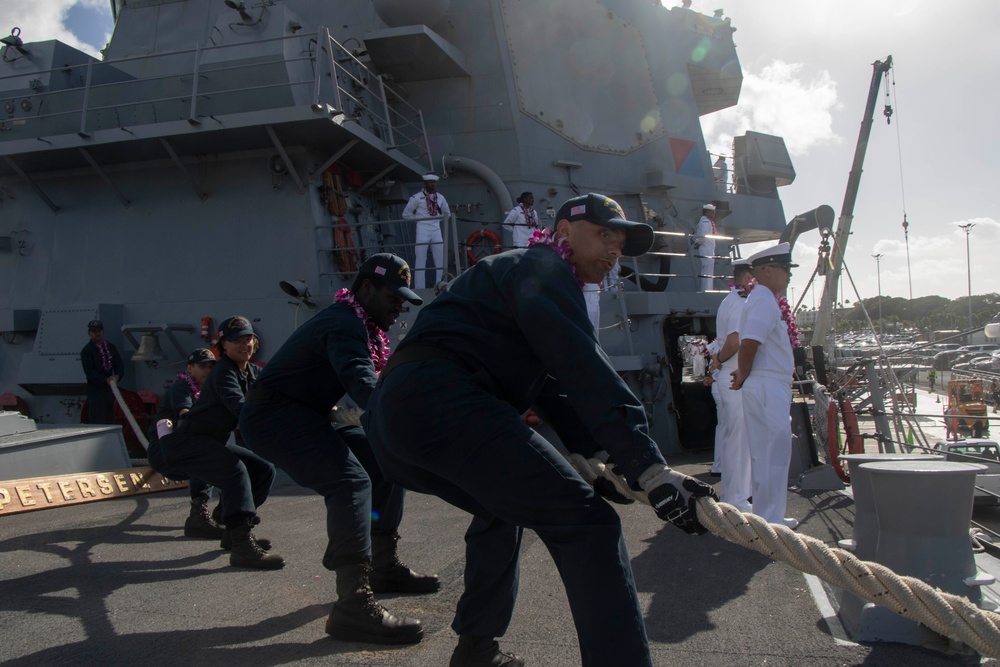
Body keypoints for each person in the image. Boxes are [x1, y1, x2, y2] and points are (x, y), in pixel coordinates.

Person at [363, 193, 717, 667]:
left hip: (394, 419)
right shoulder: (546, 268)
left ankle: (476, 649)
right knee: (590, 526)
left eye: (622, 241)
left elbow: (551, 386)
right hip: (445, 402)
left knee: (501, 509)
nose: (616, 250)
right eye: (606, 233)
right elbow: (580, 367)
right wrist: (650, 469)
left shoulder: (518, 270)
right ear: (564, 234)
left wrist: (599, 458)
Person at [239, 253, 436, 646]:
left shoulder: (357, 324)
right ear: (364, 288)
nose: (400, 305)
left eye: (404, 298)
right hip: (273, 415)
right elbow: (362, 382)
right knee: (349, 481)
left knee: (384, 461)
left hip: (306, 412)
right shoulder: (344, 324)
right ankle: (353, 603)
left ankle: (383, 565)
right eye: (393, 296)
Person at [147, 317, 283, 570]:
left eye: (248, 339)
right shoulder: (223, 373)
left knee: (263, 470)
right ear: (224, 346)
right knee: (235, 472)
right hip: (184, 442)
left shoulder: (252, 372)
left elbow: (277, 387)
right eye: (236, 341)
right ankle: (242, 546)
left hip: (209, 441)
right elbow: (238, 406)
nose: (244, 345)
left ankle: (231, 527)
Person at [730, 242, 799, 528]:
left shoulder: (761, 298)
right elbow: (749, 343)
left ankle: (768, 516)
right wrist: (743, 374)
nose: (790, 275)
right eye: (785, 269)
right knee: (773, 451)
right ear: (768, 270)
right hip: (767, 383)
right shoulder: (763, 300)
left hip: (768, 383)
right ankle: (770, 521)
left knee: (769, 452)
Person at [147, 348, 223, 539]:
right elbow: (186, 414)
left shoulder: (210, 390)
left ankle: (224, 511)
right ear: (189, 368)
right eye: (202, 366)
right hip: (165, 451)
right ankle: (199, 518)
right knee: (203, 459)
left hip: (184, 446)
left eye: (211, 367)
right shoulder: (181, 388)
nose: (207, 370)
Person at [710, 259, 753, 511]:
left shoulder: (730, 300)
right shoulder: (739, 302)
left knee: (734, 437)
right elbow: (735, 342)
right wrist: (719, 360)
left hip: (731, 374)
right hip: (735, 376)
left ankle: (735, 495)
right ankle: (736, 498)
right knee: (738, 439)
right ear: (748, 276)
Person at [402, 172, 451, 289]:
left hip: (436, 230)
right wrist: (420, 219)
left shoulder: (440, 198)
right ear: (425, 183)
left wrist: (436, 219)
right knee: (420, 259)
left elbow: (447, 214)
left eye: (434, 182)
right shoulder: (417, 197)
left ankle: (440, 284)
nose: (432, 184)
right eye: (430, 182)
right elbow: (406, 214)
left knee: (440, 259)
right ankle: (420, 287)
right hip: (422, 229)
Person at [80, 319, 124, 425]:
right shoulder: (87, 351)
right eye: (94, 331)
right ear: (89, 333)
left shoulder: (110, 347)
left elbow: (119, 363)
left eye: (99, 330)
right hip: (96, 391)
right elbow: (89, 372)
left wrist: (117, 375)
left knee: (109, 417)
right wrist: (105, 380)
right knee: (98, 419)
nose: (97, 333)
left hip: (109, 390)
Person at [692, 203, 717, 292]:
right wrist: (698, 243)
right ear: (708, 212)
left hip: (707, 248)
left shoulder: (705, 221)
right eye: (713, 212)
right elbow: (704, 235)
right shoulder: (706, 221)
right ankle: (706, 289)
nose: (714, 214)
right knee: (707, 269)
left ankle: (707, 289)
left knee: (707, 269)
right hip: (707, 249)